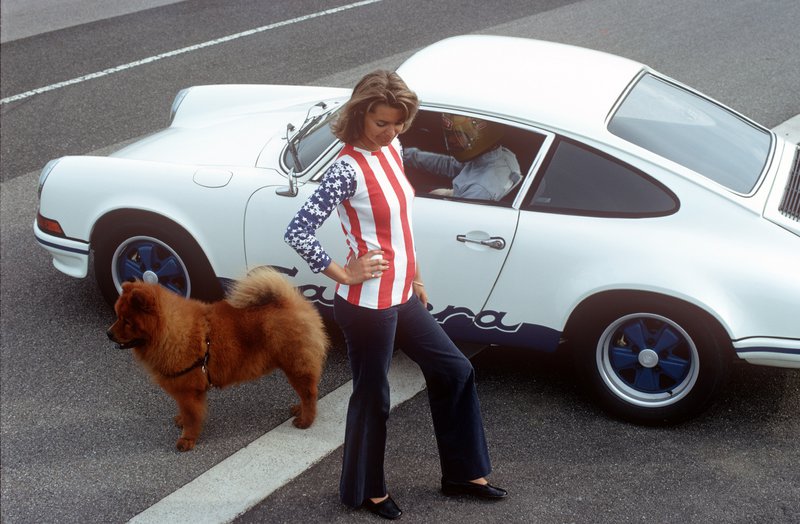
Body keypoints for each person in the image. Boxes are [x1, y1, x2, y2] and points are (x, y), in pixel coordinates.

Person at [285, 70, 506, 520]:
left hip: (402, 294)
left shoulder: (393, 149)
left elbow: (401, 225)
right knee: (373, 398)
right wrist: (344, 274)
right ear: (360, 114)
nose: (391, 131)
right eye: (381, 122)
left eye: (399, 122)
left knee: (455, 370)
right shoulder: (346, 169)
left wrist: (416, 277)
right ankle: (366, 490)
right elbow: (298, 230)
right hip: (367, 304)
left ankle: (463, 474)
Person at [403, 113, 521, 200]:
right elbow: (450, 164)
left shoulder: (479, 188)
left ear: (479, 136)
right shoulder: (503, 156)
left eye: (458, 134)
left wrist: (448, 195)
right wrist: (406, 154)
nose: (451, 140)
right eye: (450, 134)